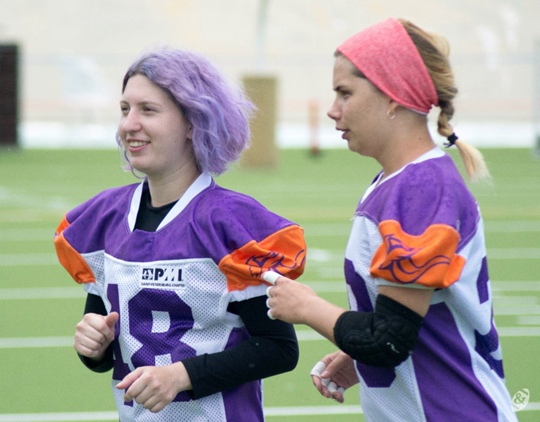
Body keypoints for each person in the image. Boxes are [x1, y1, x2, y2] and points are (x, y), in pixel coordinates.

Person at [264, 17, 517, 421]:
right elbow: (408, 323)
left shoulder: (421, 188)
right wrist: (356, 351)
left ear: (394, 96)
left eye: (345, 93)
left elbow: (388, 341)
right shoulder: (399, 181)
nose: (332, 109)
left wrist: (307, 307)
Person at [54, 47, 306, 421]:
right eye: (125, 109)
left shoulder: (229, 224)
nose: (129, 124)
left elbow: (278, 348)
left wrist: (181, 376)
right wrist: (94, 346)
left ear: (193, 122)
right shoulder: (103, 218)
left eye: (148, 110)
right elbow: (106, 353)